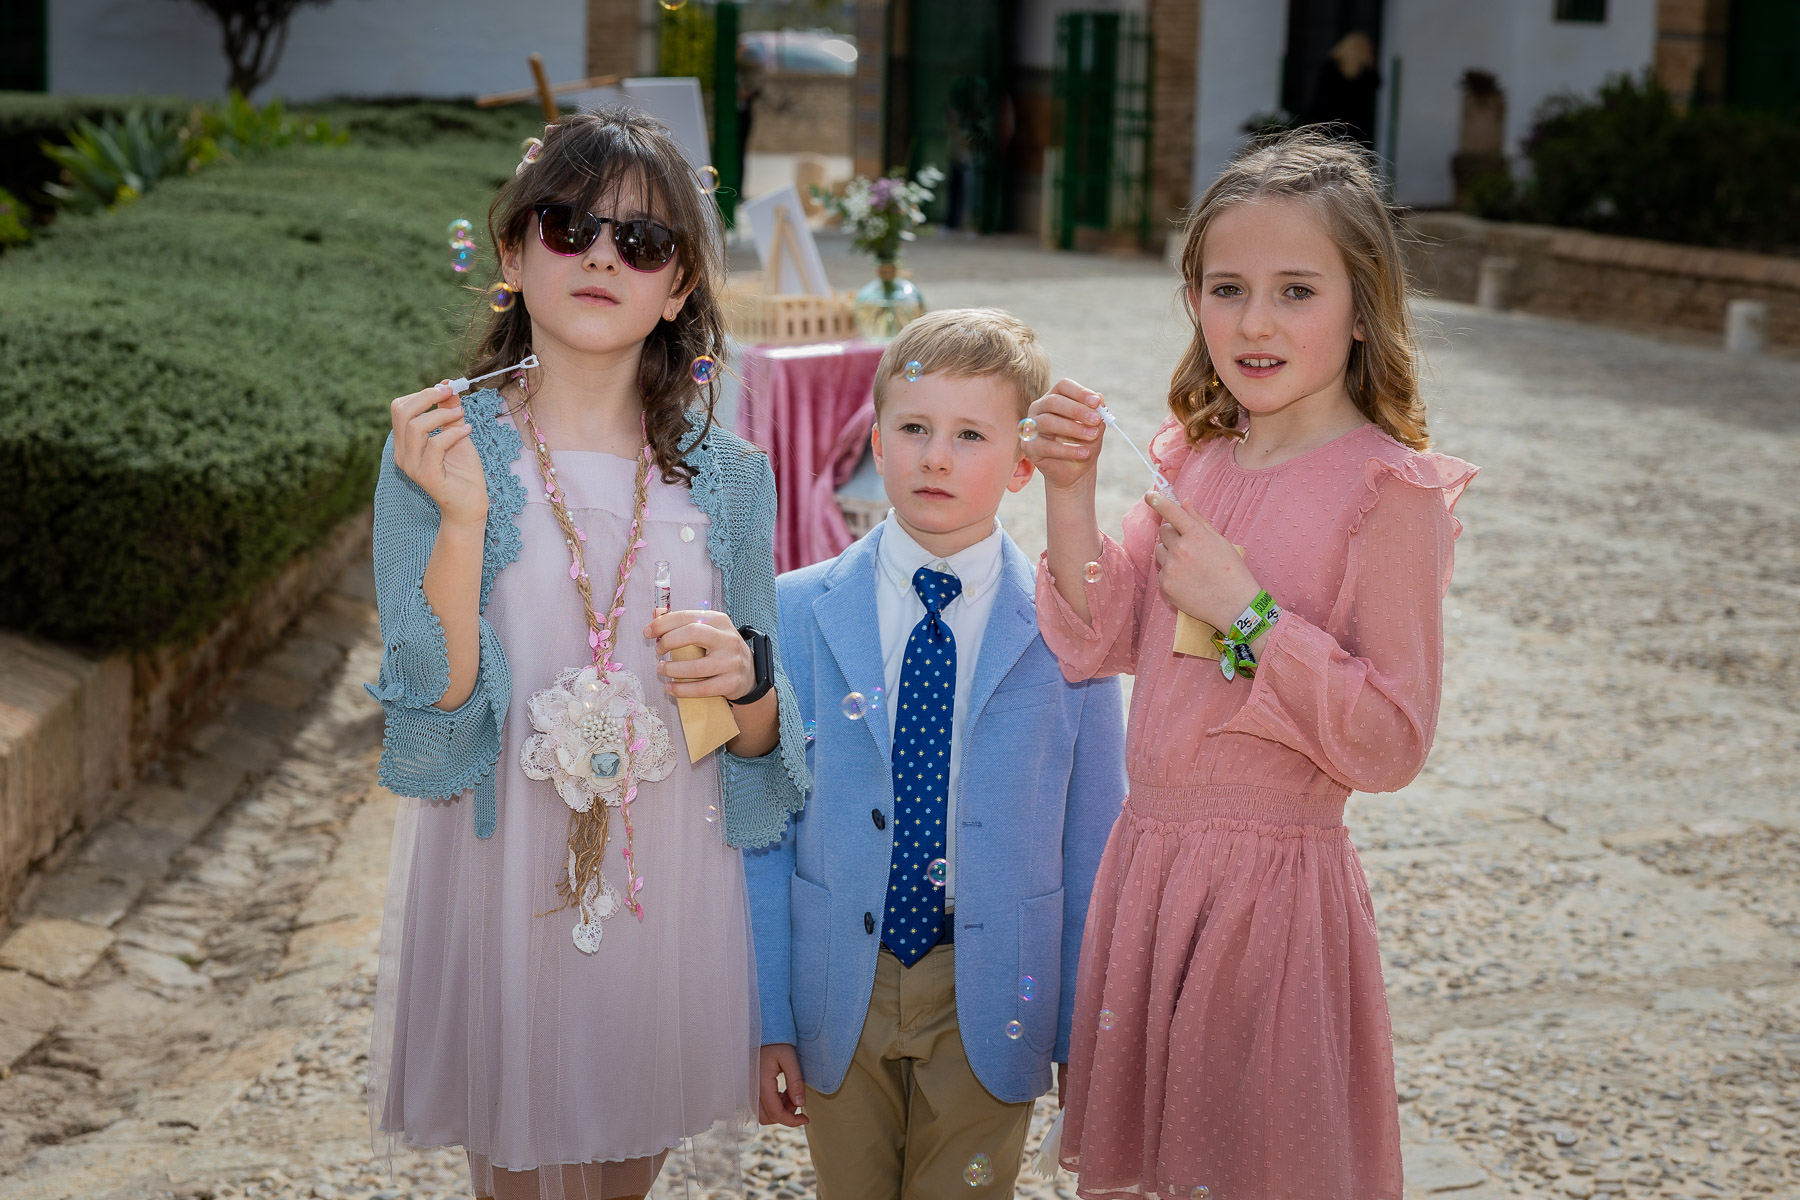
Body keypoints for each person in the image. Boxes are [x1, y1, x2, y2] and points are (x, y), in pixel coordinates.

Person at [364, 107, 809, 1200]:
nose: (602, 254)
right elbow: (433, 718)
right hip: (502, 862)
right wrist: (463, 524)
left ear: (679, 289)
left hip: (667, 871)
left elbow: (760, 740)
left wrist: (742, 681)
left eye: (643, 241)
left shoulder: (731, 477)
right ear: (513, 254)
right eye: (568, 226)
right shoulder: (438, 444)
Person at [1023, 131, 1477, 1200]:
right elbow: (1094, 639)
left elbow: (1393, 742)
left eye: (1296, 290)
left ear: (1362, 306)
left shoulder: (1389, 493)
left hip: (1272, 894)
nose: (1256, 321)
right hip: (1151, 869)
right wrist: (1071, 490)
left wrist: (1251, 615)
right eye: (1227, 287)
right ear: (1193, 302)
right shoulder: (1192, 457)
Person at [746, 308, 1128, 1199]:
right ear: (876, 443)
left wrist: (1078, 1033)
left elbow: (1094, 841)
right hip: (841, 982)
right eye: (914, 429)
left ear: (1025, 463)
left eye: (970, 435)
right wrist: (768, 1012)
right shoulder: (797, 609)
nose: (936, 457)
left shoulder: (1070, 628)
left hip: (993, 986)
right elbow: (762, 818)